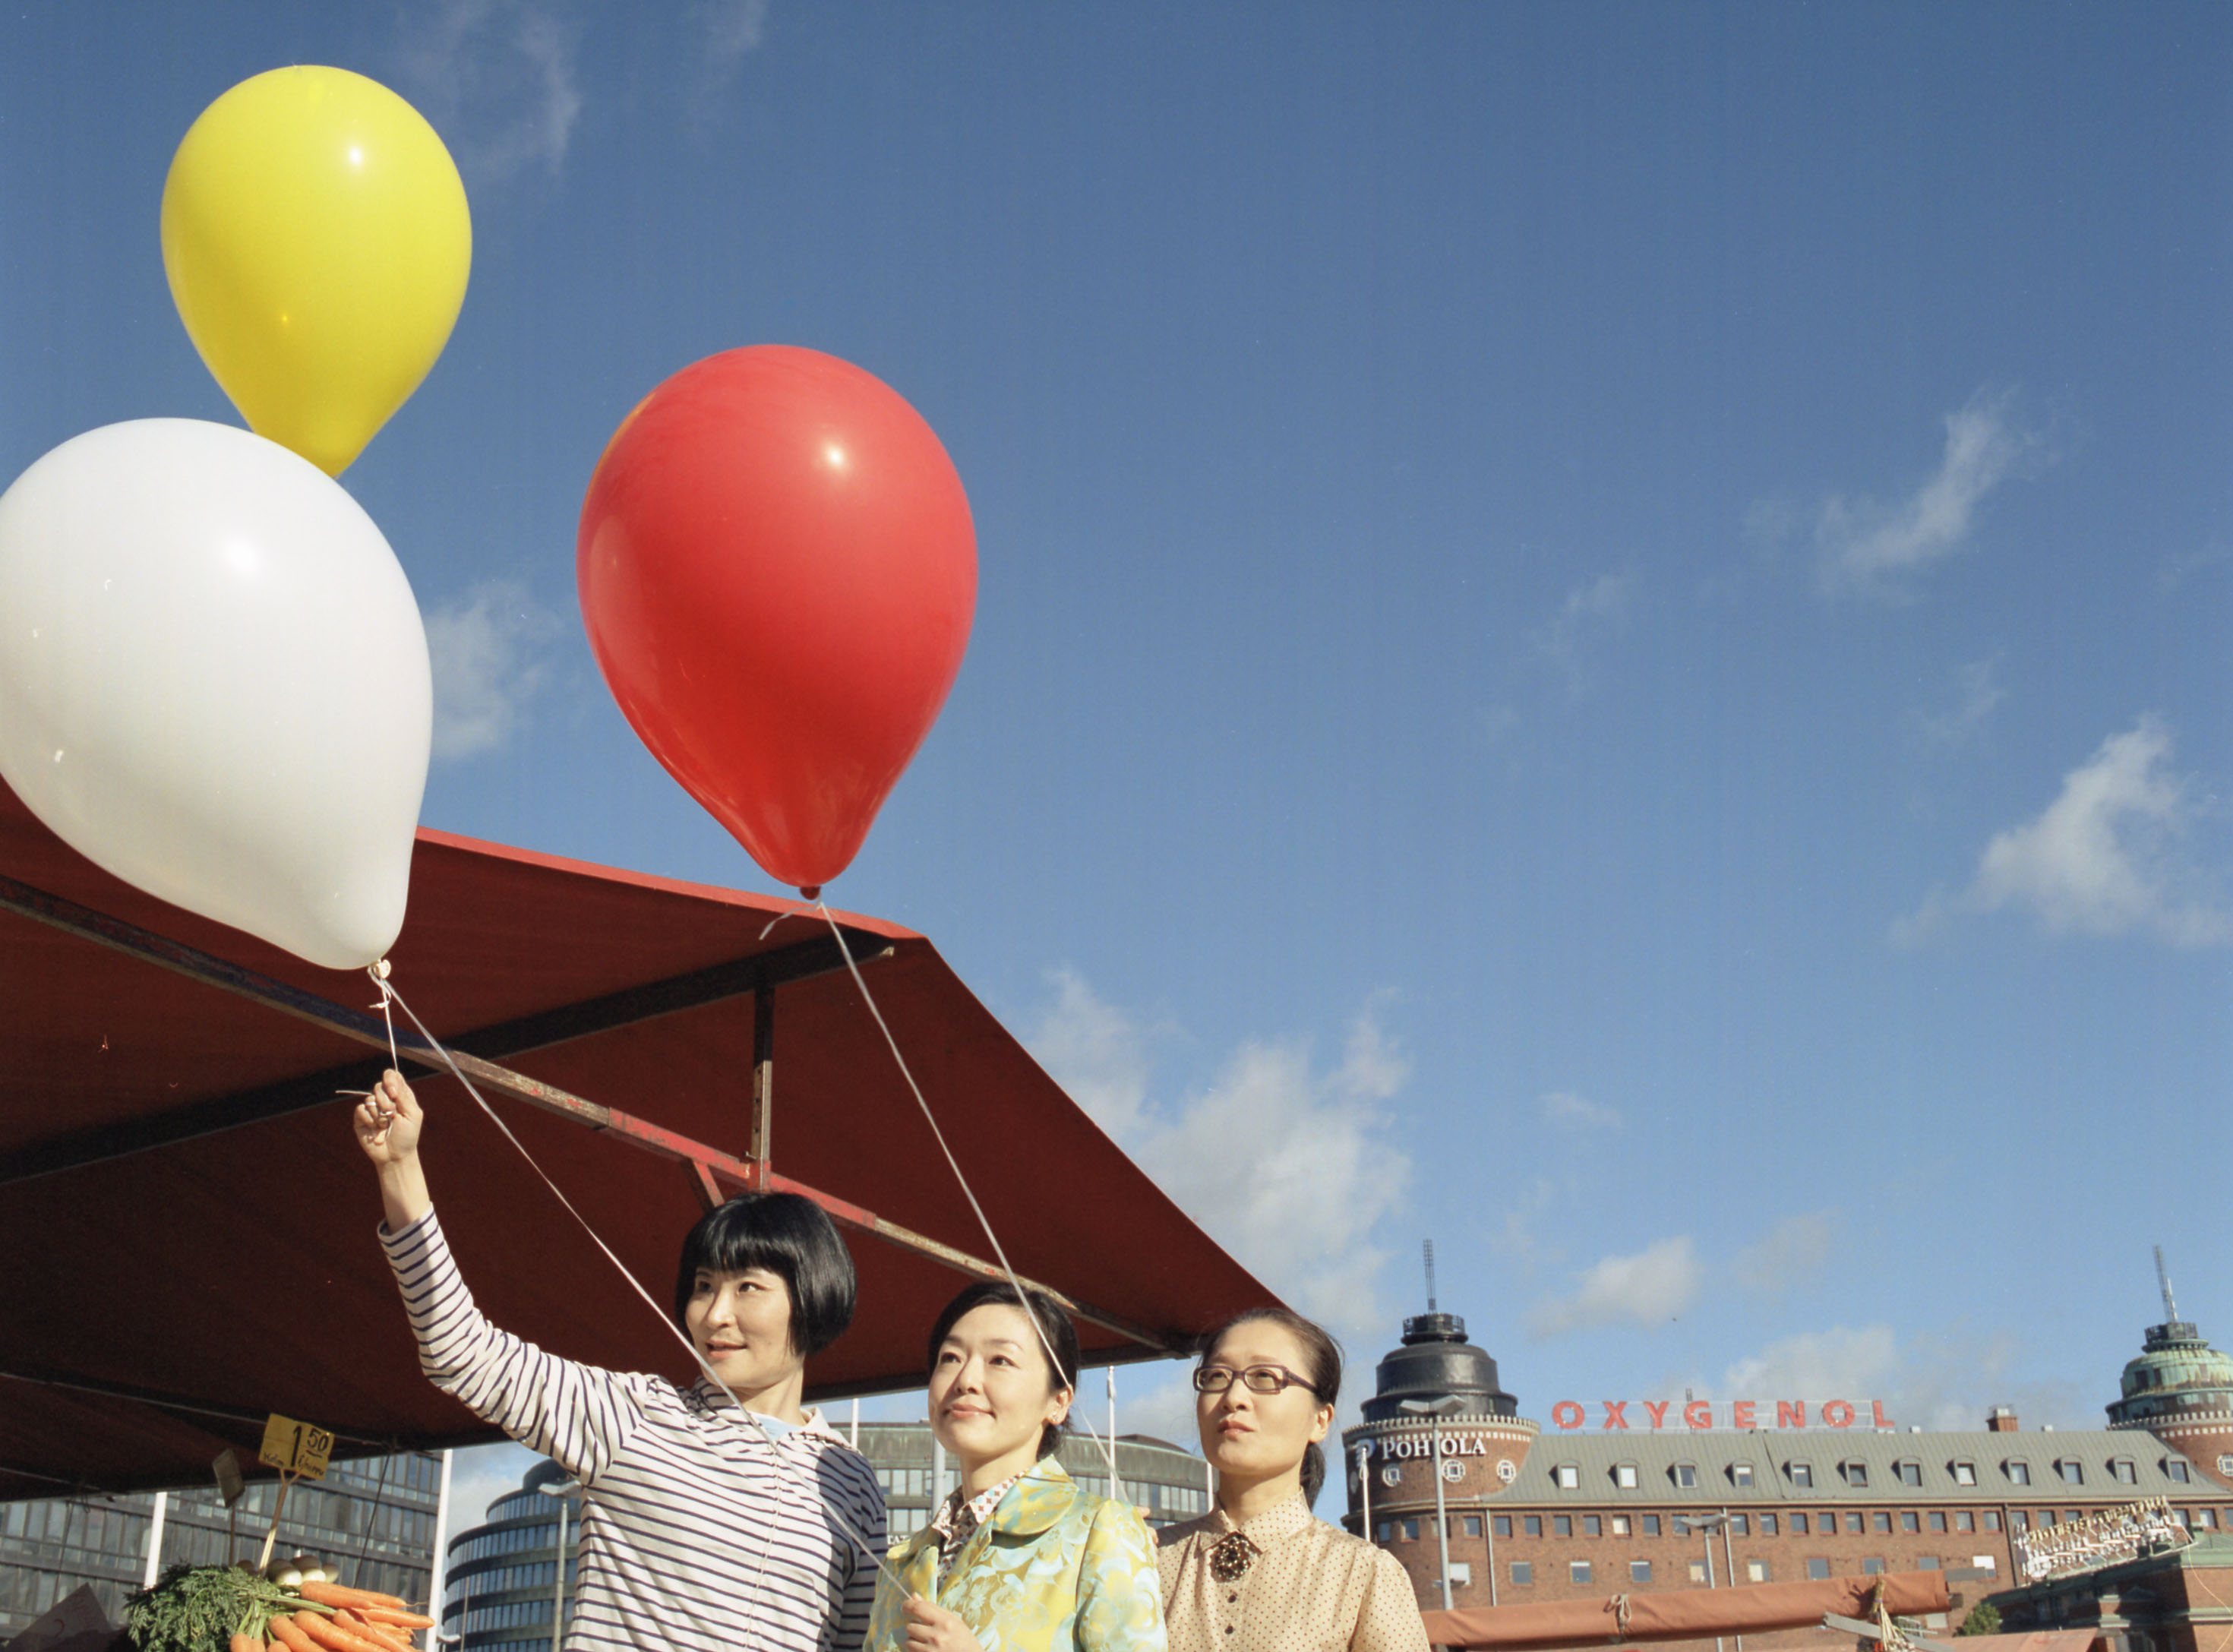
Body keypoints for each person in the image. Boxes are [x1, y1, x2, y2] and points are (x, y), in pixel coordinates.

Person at [353, 1069, 884, 1652]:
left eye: (747, 1288)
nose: (713, 1314)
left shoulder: (850, 1481)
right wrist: (399, 1167)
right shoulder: (635, 1414)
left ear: (814, 1298)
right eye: (703, 1286)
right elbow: (462, 1351)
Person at [864, 1281, 1165, 1652]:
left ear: (1058, 1402)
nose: (966, 1381)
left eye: (1000, 1361)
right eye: (950, 1358)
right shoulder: (902, 1560)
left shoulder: (1099, 1532)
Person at [1156, 1309, 1428, 1652]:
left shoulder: (1362, 1575)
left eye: (1266, 1377)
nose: (1233, 1398)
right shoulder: (1146, 1562)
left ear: (1321, 1419)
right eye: (1216, 1376)